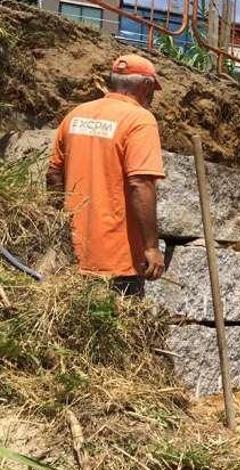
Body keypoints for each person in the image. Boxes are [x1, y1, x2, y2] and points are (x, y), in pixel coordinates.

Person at [46, 54, 166, 296]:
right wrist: (152, 247)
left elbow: (53, 174)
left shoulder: (76, 115)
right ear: (146, 85)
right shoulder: (139, 120)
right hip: (117, 261)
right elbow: (140, 183)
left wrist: (62, 220)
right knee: (116, 327)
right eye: (152, 88)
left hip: (73, 253)